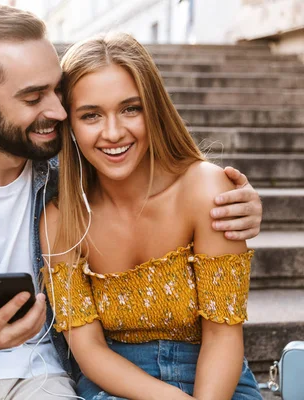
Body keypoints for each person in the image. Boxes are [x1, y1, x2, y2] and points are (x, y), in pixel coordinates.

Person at [0, 5, 263, 400]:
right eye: (34, 97)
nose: (57, 111)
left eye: (56, 90)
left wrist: (240, 206)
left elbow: (223, 329)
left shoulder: (69, 170)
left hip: (47, 377)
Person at [40, 32, 263, 400]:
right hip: (117, 383)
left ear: (154, 109)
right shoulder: (62, 219)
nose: (113, 133)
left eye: (131, 108)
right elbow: (89, 350)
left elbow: (223, 334)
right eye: (91, 115)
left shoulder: (206, 190)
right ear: (70, 126)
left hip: (218, 381)